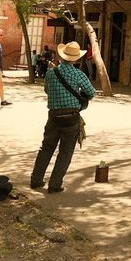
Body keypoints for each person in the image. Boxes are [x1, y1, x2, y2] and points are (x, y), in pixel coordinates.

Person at [30, 41, 95, 194]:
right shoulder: (78, 74)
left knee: (46, 148)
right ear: (76, 59)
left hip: (53, 115)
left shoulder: (51, 72)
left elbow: (47, 90)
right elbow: (91, 93)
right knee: (65, 152)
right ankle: (55, 184)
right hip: (71, 117)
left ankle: (36, 179)